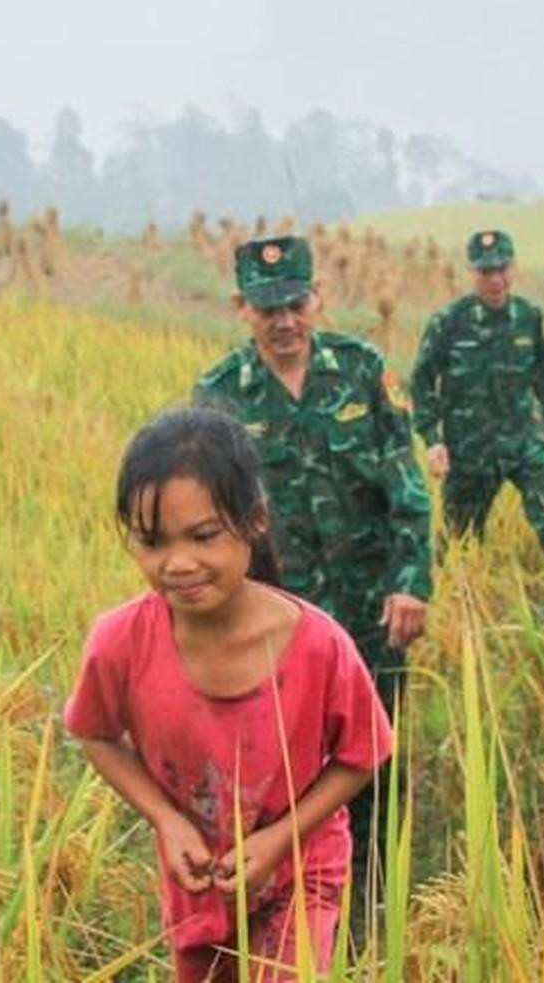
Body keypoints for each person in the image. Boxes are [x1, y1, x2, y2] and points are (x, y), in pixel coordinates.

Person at [64, 408, 393, 981]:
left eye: (204, 536)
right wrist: (167, 820)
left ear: (255, 521)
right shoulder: (120, 642)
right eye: (151, 541)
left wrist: (280, 838)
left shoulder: (317, 646)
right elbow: (94, 733)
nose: (179, 563)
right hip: (198, 877)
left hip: (299, 868)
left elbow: (364, 754)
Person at [190, 235, 431, 899]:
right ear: (243, 307)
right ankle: (303, 889)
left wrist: (411, 583)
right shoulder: (216, 397)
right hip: (275, 617)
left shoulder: (362, 370)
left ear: (317, 297)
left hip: (369, 605)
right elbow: (203, 517)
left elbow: (406, 485)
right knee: (284, 759)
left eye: (295, 302)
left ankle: (381, 890)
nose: (285, 320)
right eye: (268, 307)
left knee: (375, 750)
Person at [410, 229, 544, 611]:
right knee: (460, 539)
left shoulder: (527, 317)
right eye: (485, 271)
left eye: (502, 269)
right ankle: (452, 611)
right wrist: (433, 438)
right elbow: (422, 382)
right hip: (470, 448)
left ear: (513, 269)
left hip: (523, 440)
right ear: (471, 273)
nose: (495, 279)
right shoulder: (448, 323)